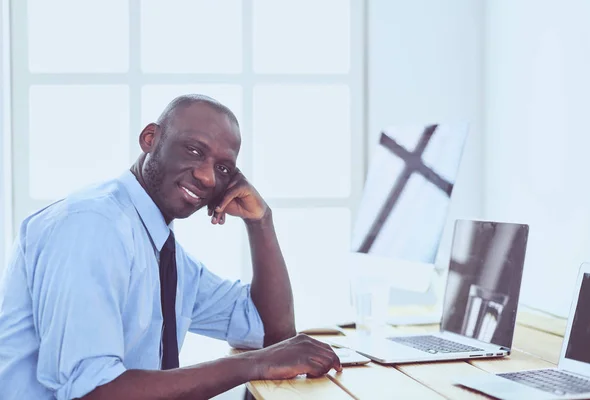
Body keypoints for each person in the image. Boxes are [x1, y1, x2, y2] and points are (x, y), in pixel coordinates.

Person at [0, 94, 342, 400]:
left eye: (224, 169)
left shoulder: (161, 250)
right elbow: (94, 392)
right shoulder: (93, 225)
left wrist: (261, 222)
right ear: (150, 139)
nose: (209, 178)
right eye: (194, 150)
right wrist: (255, 365)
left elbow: (272, 332)